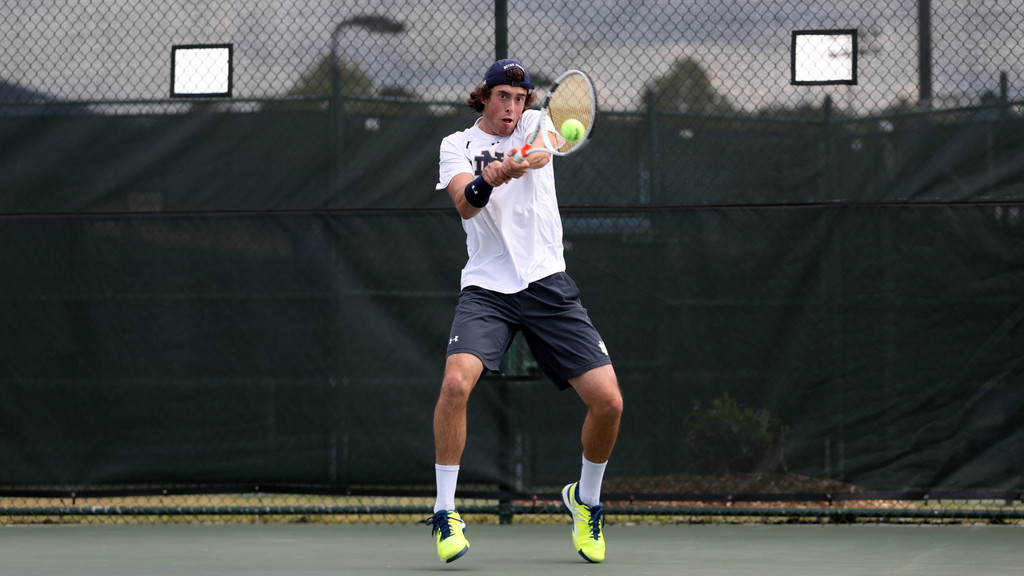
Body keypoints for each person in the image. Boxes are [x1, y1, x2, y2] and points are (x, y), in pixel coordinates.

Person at [427, 58, 623, 564]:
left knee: (609, 403)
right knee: (454, 385)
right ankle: (445, 511)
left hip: (547, 285)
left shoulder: (539, 125)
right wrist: (489, 178)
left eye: (520, 98)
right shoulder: (457, 146)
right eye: (503, 97)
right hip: (487, 289)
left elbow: (543, 152)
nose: (512, 107)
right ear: (484, 98)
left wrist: (518, 162)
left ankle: (587, 501)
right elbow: (465, 203)